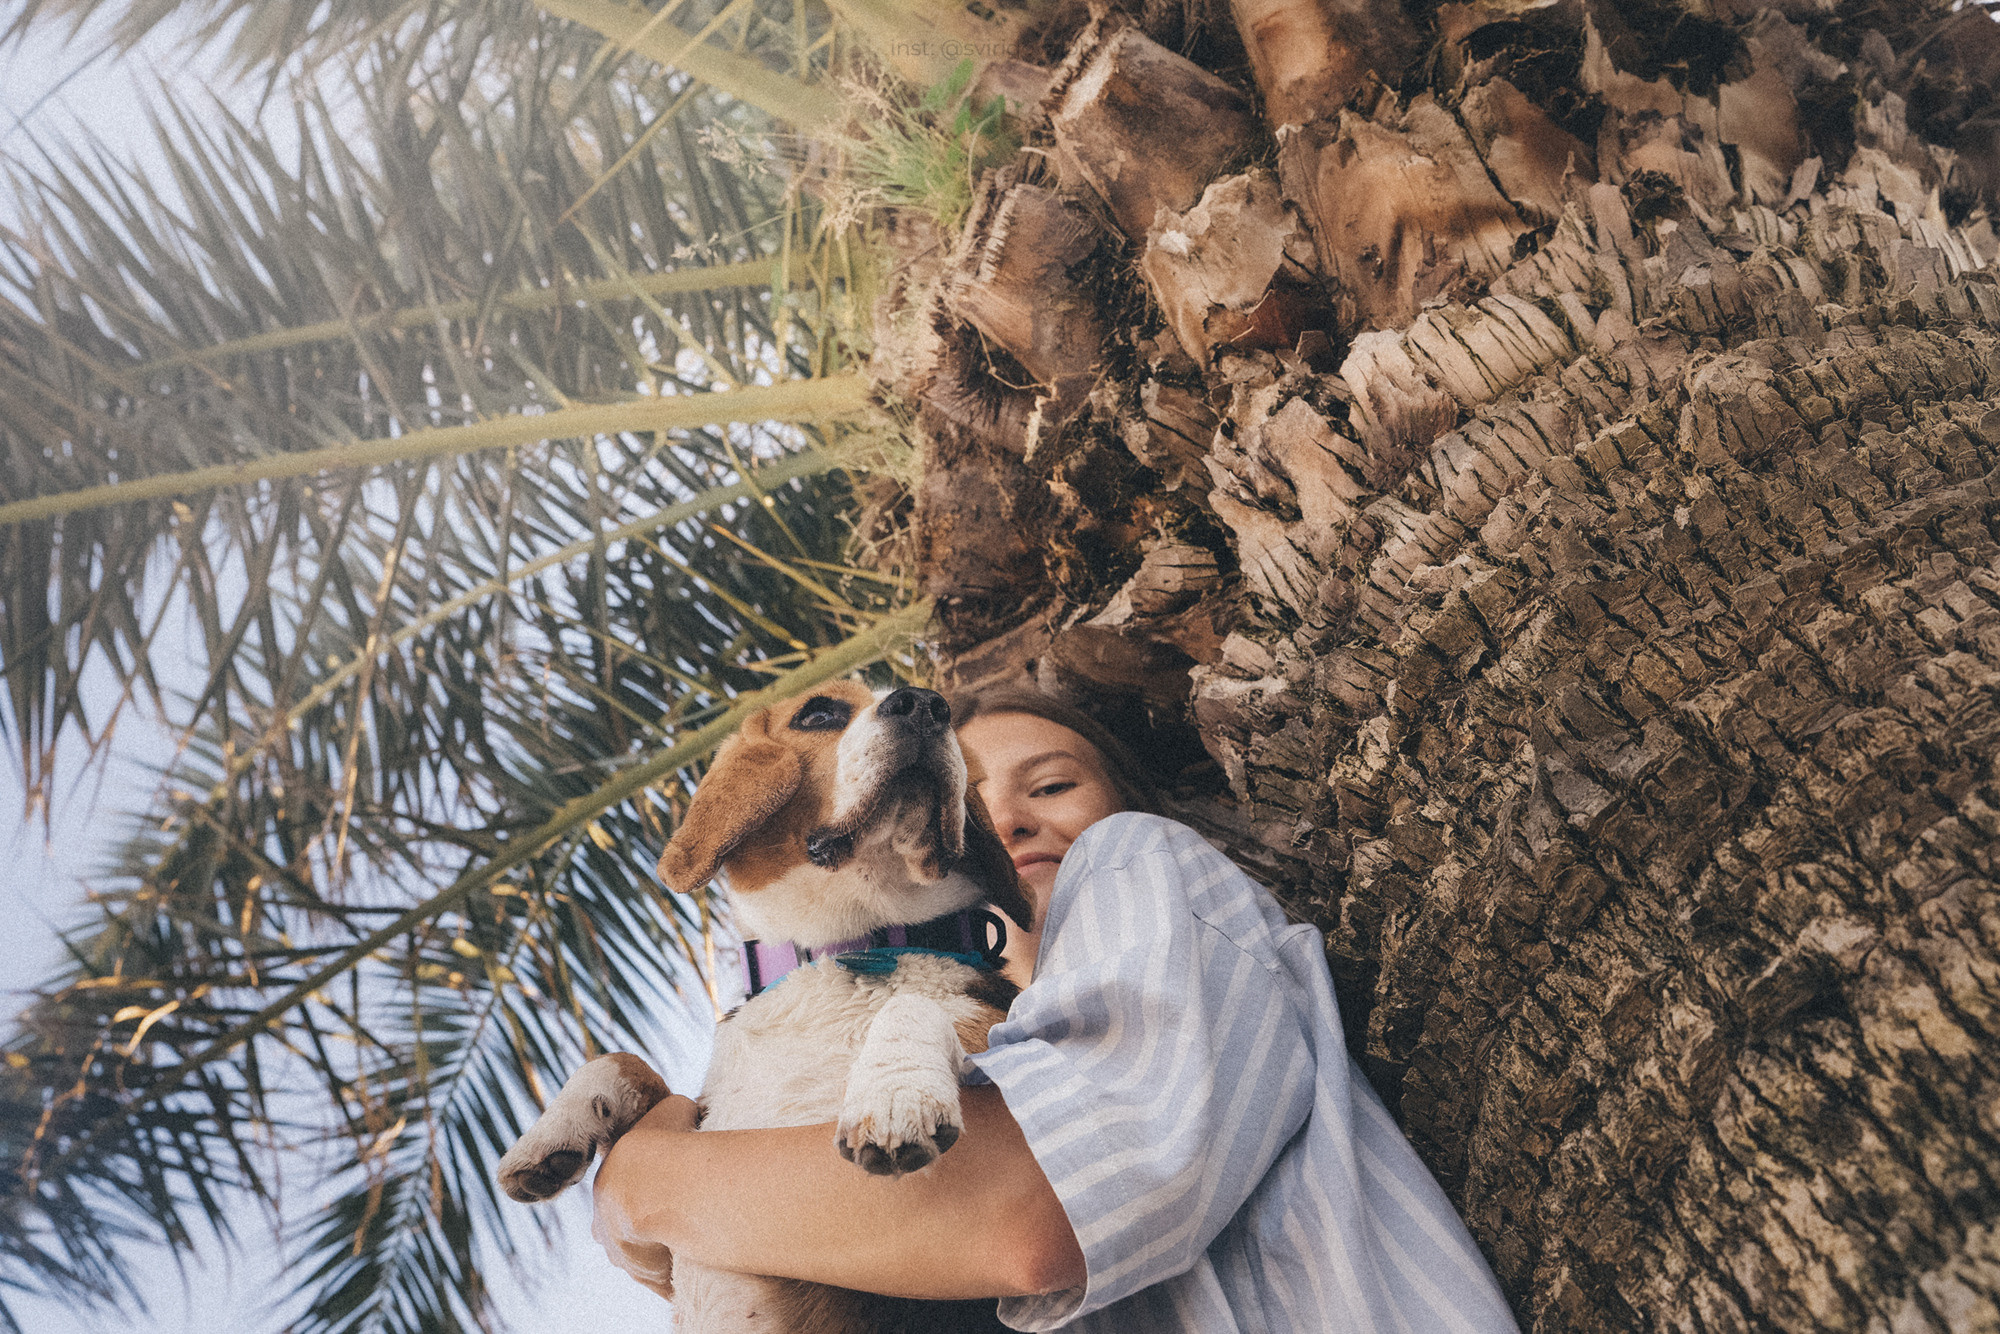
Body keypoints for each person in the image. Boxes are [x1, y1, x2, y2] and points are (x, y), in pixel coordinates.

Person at [591, 685, 1520, 1332]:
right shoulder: (976, 1043)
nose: (1008, 820)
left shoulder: (1139, 863)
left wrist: (648, 1184)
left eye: (1052, 786)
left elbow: (1033, 1213)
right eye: (969, 797)